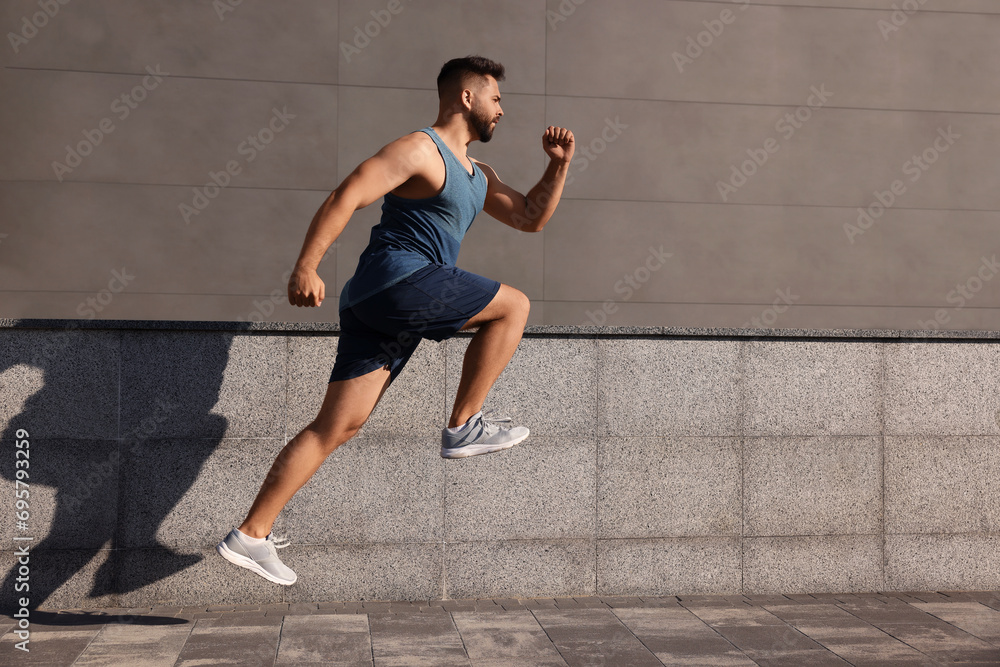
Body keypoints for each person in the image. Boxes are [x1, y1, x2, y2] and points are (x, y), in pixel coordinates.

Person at [216, 55, 575, 585]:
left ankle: (251, 533)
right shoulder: (419, 149)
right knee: (514, 305)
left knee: (338, 426)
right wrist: (306, 266)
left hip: (379, 306)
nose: (503, 109)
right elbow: (348, 195)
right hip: (398, 281)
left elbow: (528, 218)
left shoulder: (480, 174)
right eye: (496, 98)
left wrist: (559, 163)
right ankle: (463, 426)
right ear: (467, 98)